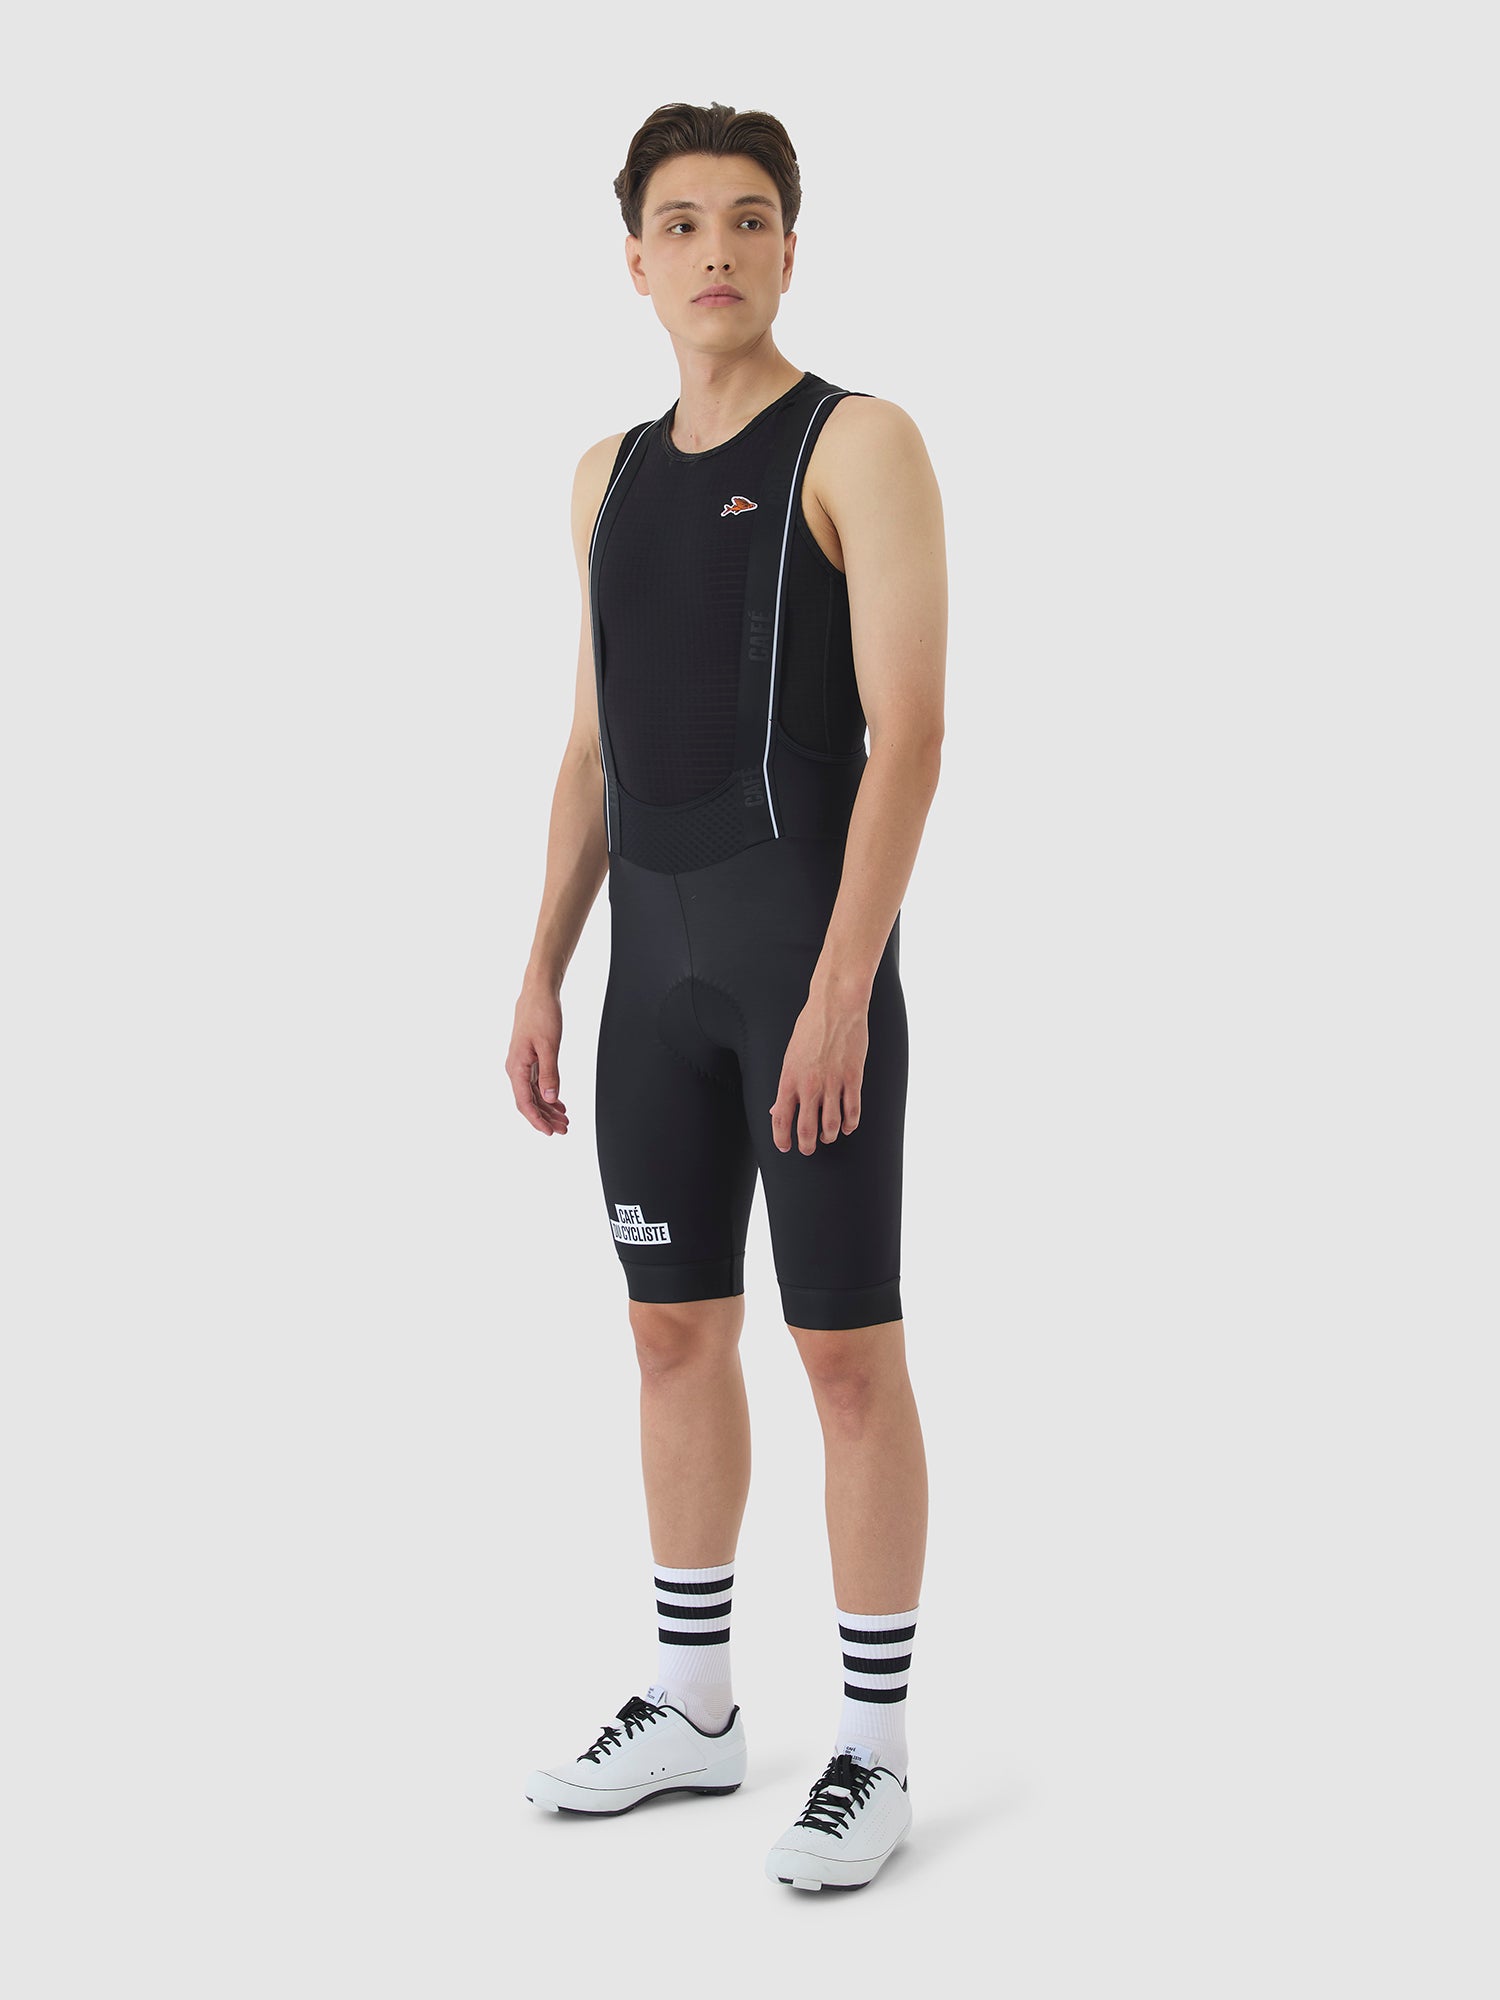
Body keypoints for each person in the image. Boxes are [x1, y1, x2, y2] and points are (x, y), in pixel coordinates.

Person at [508, 99, 947, 1892]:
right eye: (682, 222)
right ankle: (695, 1707)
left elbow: (912, 735)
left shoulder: (861, 443)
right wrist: (542, 965)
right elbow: (595, 749)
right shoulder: (603, 477)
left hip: (800, 975)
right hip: (650, 988)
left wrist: (844, 985)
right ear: (636, 260)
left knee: (845, 1352)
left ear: (789, 248)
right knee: (669, 1334)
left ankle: (875, 1750)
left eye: (749, 218)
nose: (717, 249)